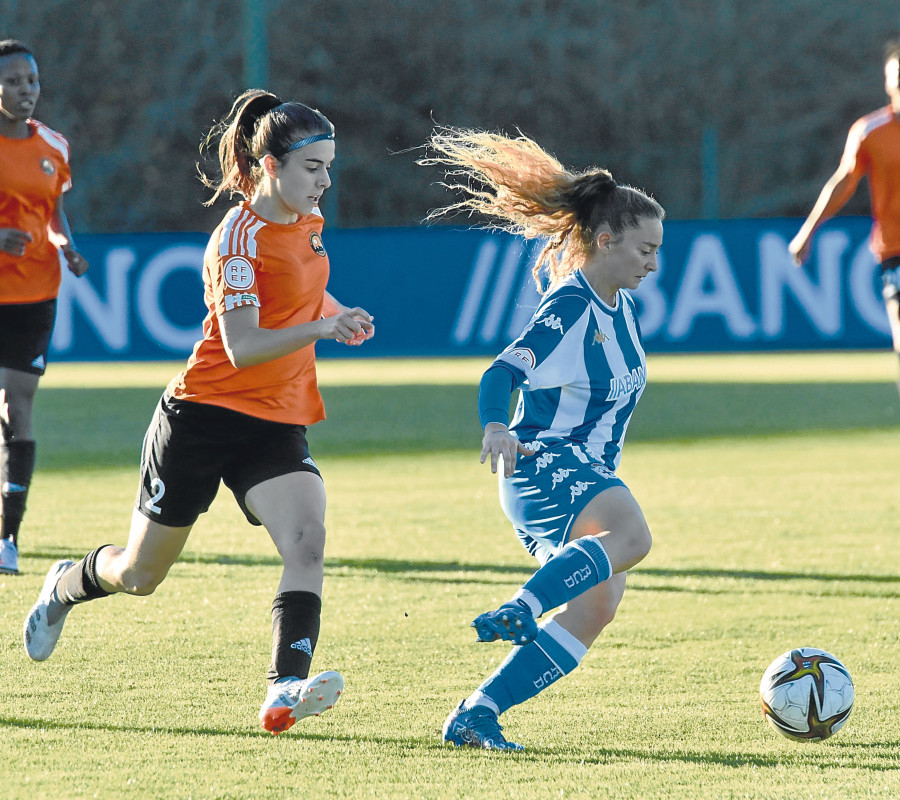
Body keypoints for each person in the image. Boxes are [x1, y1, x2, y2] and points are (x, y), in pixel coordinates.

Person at [23, 89, 374, 735]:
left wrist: (334, 314)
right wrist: (322, 332)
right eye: (312, 167)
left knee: (307, 542)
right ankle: (67, 584)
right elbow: (242, 347)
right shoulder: (236, 241)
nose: (325, 180)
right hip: (202, 418)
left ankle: (283, 688)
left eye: (329, 166)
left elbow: (303, 297)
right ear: (270, 166)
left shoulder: (306, 220)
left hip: (274, 421)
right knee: (139, 574)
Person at [419, 127, 664, 751]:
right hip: (539, 460)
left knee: (597, 605)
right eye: (644, 249)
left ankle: (477, 713)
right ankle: (525, 607)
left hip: (575, 467)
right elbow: (502, 371)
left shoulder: (620, 307)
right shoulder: (572, 305)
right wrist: (496, 424)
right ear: (605, 241)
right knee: (633, 536)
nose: (653, 263)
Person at [0, 39, 89, 575]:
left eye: (30, 81)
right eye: (12, 81)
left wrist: (65, 247)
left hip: (34, 294)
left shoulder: (54, 145)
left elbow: (53, 214)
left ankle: (7, 536)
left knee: (16, 407)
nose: (24, 90)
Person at [790, 39, 900, 395]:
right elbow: (844, 181)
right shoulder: (870, 132)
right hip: (895, 251)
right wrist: (808, 231)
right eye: (897, 78)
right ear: (887, 82)